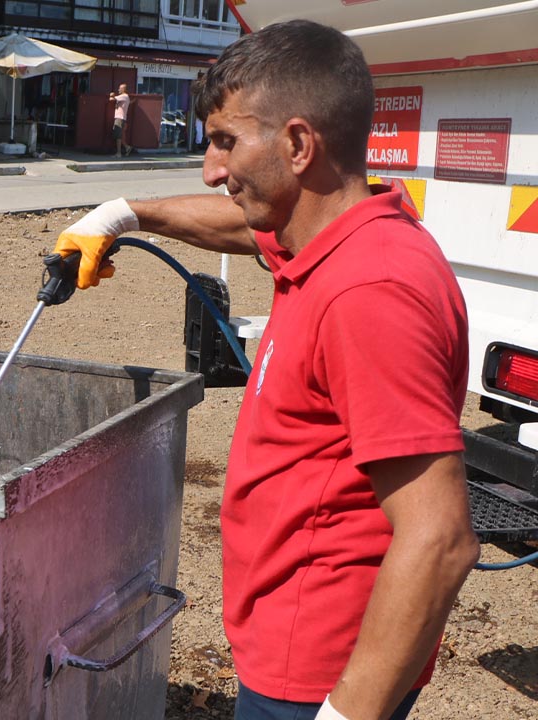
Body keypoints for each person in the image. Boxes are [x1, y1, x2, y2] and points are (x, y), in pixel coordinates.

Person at [55, 19, 479, 720]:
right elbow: (237, 225)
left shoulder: (368, 290)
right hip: (296, 642)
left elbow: (440, 538)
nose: (211, 169)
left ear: (299, 144)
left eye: (226, 142)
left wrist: (346, 713)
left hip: (317, 667)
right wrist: (123, 216)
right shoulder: (335, 236)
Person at [110, 83, 133, 157]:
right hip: (122, 118)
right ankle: (127, 147)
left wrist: (111, 94)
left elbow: (111, 99)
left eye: (120, 88)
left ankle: (119, 153)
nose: (118, 89)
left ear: (123, 89)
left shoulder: (124, 96)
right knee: (120, 136)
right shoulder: (126, 97)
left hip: (119, 118)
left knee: (118, 136)